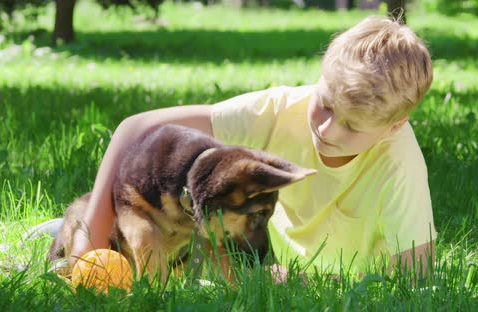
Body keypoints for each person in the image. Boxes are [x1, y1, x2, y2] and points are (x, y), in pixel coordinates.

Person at [68, 16, 437, 282]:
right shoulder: (281, 109)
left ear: (393, 126)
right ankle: (70, 226)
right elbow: (136, 128)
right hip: (257, 265)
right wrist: (90, 236)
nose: (326, 128)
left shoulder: (399, 164)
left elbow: (418, 280)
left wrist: (336, 286)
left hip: (304, 281)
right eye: (324, 103)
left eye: (352, 126)